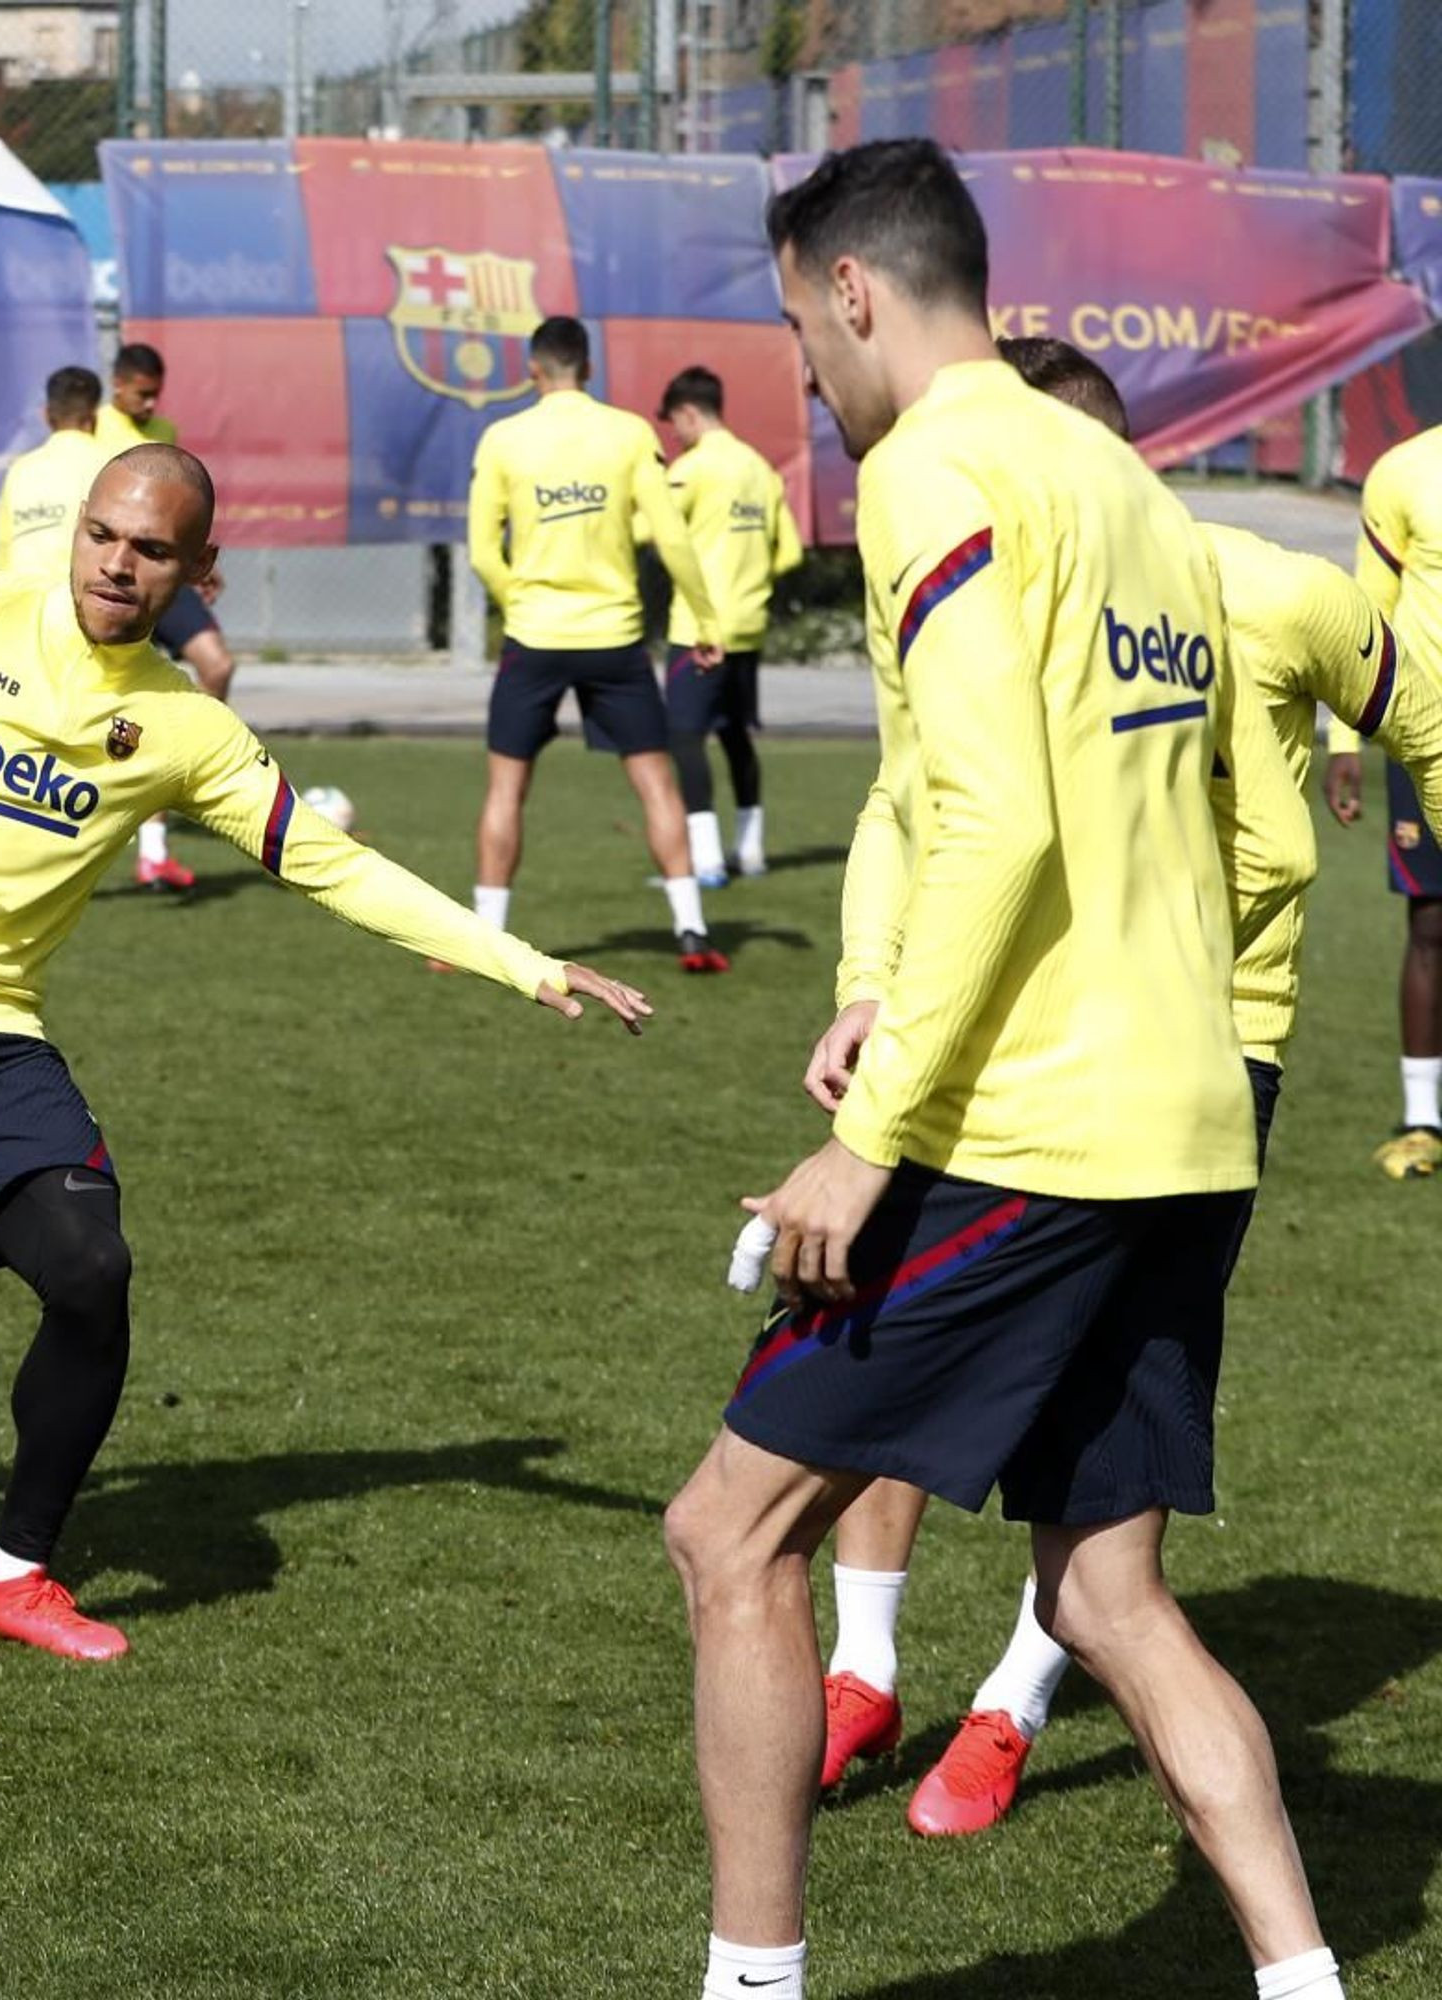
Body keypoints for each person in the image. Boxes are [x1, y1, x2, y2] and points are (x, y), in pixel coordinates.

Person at [664, 139, 1340, 2000]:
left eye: (800, 326)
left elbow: (998, 817)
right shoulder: (1127, 485)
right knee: (1103, 1596)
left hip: (1031, 1128)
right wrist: (889, 989)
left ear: (855, 289)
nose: (802, 368)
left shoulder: (937, 463)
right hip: (1194, 1117)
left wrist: (868, 1145)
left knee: (729, 1533)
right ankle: (1303, 1982)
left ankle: (750, 1985)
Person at [0, 443, 651, 1667]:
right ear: (77, 529)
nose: (119, 564)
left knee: (90, 1270)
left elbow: (330, 864)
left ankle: (17, 1571)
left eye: (153, 549)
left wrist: (524, 961)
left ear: (199, 570)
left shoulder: (184, 725)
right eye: (105, 535)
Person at [806, 334, 1441, 1844]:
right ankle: (864, 1665)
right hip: (998, 1032)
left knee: (1104, 1419)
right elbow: (912, 801)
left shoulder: (1269, 587)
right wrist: (867, 988)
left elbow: (1419, 704)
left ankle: (1010, 1708)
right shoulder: (999, 583)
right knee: (880, 1341)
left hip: (1211, 1060)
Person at [466, 315, 728, 973]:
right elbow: (671, 538)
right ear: (588, 369)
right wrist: (705, 620)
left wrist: (516, 599)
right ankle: (692, 931)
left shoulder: (503, 438)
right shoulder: (629, 432)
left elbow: (479, 552)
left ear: (533, 371)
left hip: (534, 636)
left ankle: (486, 938)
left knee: (505, 790)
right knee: (656, 786)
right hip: (616, 640)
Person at [651, 367, 802, 888]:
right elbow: (791, 552)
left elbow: (650, 528)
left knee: (685, 738)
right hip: (749, 626)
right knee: (735, 735)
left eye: (675, 424)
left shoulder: (693, 469)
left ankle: (707, 861)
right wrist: (750, 573)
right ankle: (752, 851)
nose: (676, 435)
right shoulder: (761, 469)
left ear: (690, 413)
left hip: (698, 628)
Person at [95, 340, 235, 888]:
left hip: (167, 580)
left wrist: (199, 559)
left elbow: (180, 509)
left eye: (157, 395)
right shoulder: (96, 434)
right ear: (119, 384)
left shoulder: (165, 434)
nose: (151, 405)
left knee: (217, 666)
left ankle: (181, 769)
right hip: (117, 583)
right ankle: (150, 844)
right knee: (130, 707)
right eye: (142, 394)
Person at [1353, 425, 1442, 1178]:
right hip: (1426, 736)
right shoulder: (1404, 472)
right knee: (1432, 923)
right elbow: (1368, 614)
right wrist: (1346, 747)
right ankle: (1421, 1121)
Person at [0, 365, 111, 581]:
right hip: (83, 602)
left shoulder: (20, 470)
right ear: (94, 416)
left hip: (20, 601)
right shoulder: (111, 466)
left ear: (46, 414)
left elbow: (4, 551)